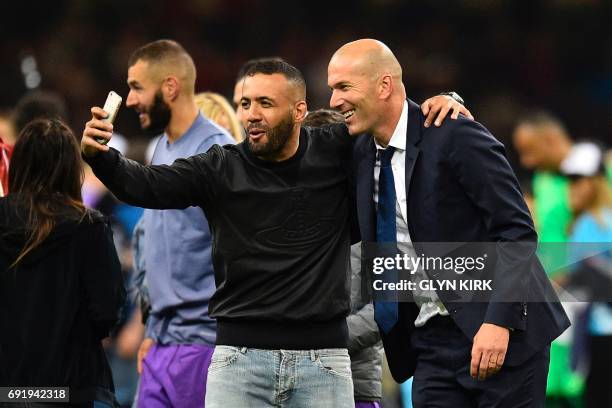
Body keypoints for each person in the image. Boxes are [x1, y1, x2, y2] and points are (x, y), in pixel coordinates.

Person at [82, 58, 465, 407]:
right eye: (246, 104)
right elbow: (148, 185)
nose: (251, 114)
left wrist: (446, 100)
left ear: (299, 111)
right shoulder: (221, 167)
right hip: (238, 360)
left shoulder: (336, 150)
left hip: (324, 362)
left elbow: (390, 120)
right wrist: (101, 156)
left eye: (265, 103)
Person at [330, 39, 570, 407]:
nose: (334, 100)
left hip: (504, 332)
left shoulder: (454, 134)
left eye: (344, 87)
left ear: (384, 85)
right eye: (332, 89)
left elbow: (516, 232)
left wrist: (498, 322)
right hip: (432, 342)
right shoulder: (358, 153)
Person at [107, 39, 235, 408]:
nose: (130, 100)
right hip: (161, 343)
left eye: (136, 87)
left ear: (170, 87)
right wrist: (151, 326)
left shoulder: (218, 151)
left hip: (203, 345)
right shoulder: (162, 147)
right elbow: (153, 242)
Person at [0, 118, 125, 407]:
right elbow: (107, 308)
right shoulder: (89, 226)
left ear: (19, 164)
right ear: (71, 168)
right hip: (74, 388)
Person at [304, 108, 384, 408]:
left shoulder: (376, 221)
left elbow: (391, 305)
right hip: (290, 386)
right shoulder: (290, 221)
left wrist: (327, 337)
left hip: (355, 387)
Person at [560, 142, 612, 407]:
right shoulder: (582, 223)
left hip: (602, 335)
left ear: (596, 181)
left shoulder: (593, 223)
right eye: (570, 180)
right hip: (592, 333)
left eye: (579, 179)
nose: (573, 187)